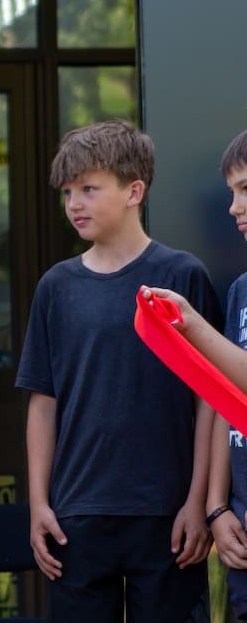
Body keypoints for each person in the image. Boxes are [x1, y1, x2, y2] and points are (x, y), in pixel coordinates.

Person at [16, 120, 219, 622]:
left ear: (134, 191)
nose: (74, 203)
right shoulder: (56, 287)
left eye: (89, 188)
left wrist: (197, 502)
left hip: (168, 513)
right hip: (77, 512)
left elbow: (210, 400)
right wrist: (39, 503)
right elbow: (43, 403)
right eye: (67, 192)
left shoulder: (182, 275)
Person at [142, 128, 247, 620]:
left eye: (245, 189)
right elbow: (228, 398)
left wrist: (191, 322)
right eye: (231, 191)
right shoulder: (240, 290)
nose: (233, 207)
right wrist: (218, 508)